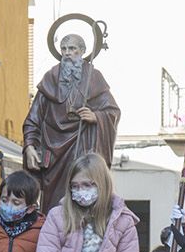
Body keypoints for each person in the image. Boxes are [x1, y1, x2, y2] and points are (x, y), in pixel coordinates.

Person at [23, 32, 121, 211]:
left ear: (82, 51)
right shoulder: (50, 78)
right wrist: (29, 146)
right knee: (54, 205)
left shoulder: (94, 77)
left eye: (72, 49)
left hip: (83, 149)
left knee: (84, 197)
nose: (67, 53)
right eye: (64, 49)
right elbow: (33, 118)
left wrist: (96, 117)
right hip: (54, 154)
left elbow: (113, 111)